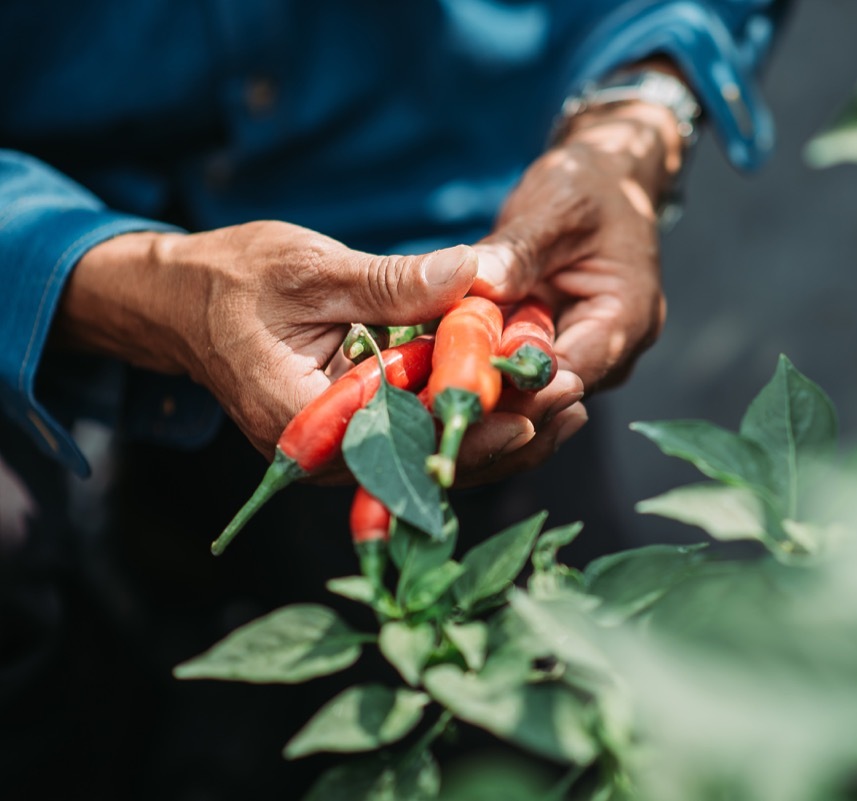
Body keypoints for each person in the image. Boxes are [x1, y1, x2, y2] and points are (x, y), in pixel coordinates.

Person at [0, 1, 790, 798]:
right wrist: (114, 276)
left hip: (439, 222)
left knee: (563, 698)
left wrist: (636, 116)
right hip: (49, 217)